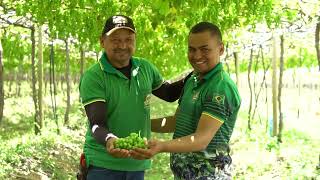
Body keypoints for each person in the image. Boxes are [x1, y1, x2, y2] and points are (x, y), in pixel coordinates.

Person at [79, 15, 189, 180]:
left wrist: (194, 75)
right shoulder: (94, 76)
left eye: (129, 39)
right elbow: (97, 124)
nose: (123, 45)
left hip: (137, 163)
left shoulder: (145, 68)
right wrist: (109, 139)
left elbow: (168, 94)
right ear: (102, 41)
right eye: (115, 40)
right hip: (102, 165)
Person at [131, 22, 241, 180]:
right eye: (192, 49)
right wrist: (143, 123)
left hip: (208, 175)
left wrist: (161, 146)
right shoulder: (193, 80)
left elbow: (201, 140)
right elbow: (177, 121)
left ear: (221, 49)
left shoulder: (220, 88)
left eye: (204, 49)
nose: (197, 56)